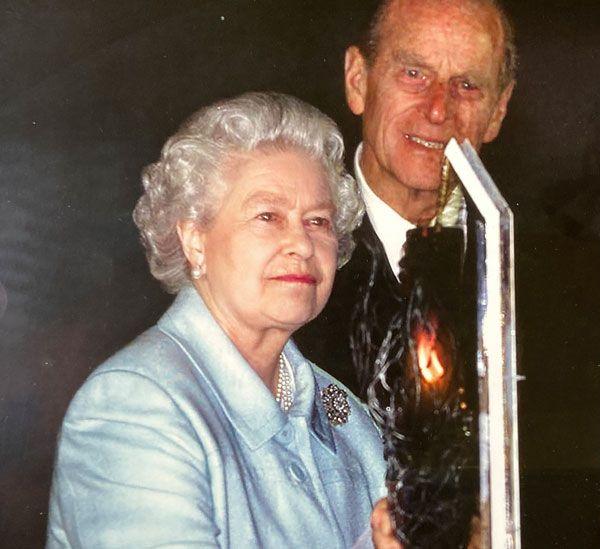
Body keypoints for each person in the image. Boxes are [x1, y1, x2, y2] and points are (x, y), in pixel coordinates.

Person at [46, 92, 389, 548]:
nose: (302, 245)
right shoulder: (135, 407)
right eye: (267, 216)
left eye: (319, 221)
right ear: (195, 241)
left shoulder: (346, 418)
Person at [293, 0, 516, 394]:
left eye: (467, 86)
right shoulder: (288, 251)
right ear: (358, 80)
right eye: (414, 74)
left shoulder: (531, 273)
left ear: (498, 111)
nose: (437, 110)